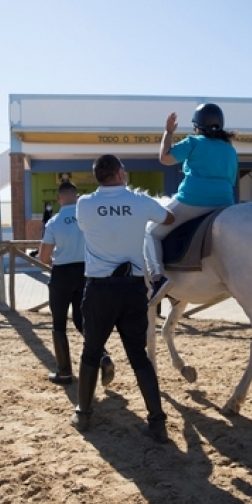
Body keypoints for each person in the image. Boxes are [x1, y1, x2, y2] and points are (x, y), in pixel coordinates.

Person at [71, 154, 175, 443]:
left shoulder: (84, 204)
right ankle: (157, 422)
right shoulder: (139, 202)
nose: (126, 172)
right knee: (139, 356)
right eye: (123, 169)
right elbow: (169, 217)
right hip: (132, 289)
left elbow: (88, 227)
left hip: (99, 288)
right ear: (118, 173)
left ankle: (83, 413)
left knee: (91, 351)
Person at [144, 102, 239, 306]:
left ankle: (158, 278)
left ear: (198, 125)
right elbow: (231, 179)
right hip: (224, 204)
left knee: (151, 232)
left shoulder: (194, 142)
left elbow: (165, 158)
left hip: (192, 201)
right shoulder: (230, 150)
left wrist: (168, 132)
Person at [38, 182, 115, 386]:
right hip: (86, 272)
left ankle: (64, 372)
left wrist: (55, 259)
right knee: (83, 321)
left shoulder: (53, 222)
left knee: (59, 323)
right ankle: (102, 356)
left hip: (62, 273)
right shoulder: (88, 220)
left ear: (59, 199)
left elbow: (44, 257)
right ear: (77, 196)